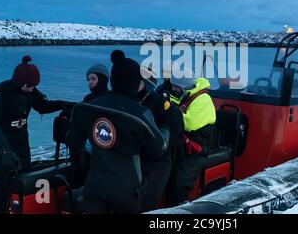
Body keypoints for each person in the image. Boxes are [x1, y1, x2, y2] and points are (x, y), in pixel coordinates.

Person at [67, 50, 170, 214]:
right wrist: (165, 129)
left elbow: (73, 144)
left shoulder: (85, 108)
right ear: (136, 83)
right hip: (126, 190)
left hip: (94, 184)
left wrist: (78, 171)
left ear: (113, 80)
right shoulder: (140, 114)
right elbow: (158, 149)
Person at [0, 55, 71, 213]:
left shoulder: (30, 89)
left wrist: (64, 105)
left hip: (21, 146)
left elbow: (42, 106)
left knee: (22, 188)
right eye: (29, 86)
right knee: (0, 192)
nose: (32, 90)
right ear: (20, 82)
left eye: (34, 86)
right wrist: (5, 151)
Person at [165, 73, 216, 207]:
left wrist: (169, 110)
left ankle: (180, 208)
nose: (174, 90)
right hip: (183, 146)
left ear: (184, 87)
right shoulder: (187, 94)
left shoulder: (203, 99)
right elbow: (177, 103)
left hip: (197, 150)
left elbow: (188, 124)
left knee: (180, 181)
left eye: (176, 87)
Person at [137, 66, 184, 212]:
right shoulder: (131, 100)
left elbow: (174, 130)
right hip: (137, 154)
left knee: (145, 202)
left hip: (159, 157)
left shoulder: (161, 103)